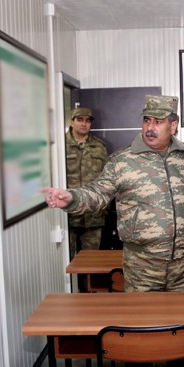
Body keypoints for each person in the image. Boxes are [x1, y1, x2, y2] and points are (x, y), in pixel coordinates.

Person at [42, 95, 184, 292]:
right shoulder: (123, 160)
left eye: (158, 121)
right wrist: (72, 198)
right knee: (143, 321)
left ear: (173, 125)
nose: (150, 127)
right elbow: (97, 193)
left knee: (183, 320)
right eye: (146, 120)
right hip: (142, 268)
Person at [65, 106, 109, 259]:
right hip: (67, 214)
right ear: (71, 122)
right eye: (79, 120)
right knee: (66, 259)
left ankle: (88, 284)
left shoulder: (99, 147)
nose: (84, 124)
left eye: (87, 121)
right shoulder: (60, 146)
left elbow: (107, 178)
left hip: (93, 213)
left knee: (92, 260)